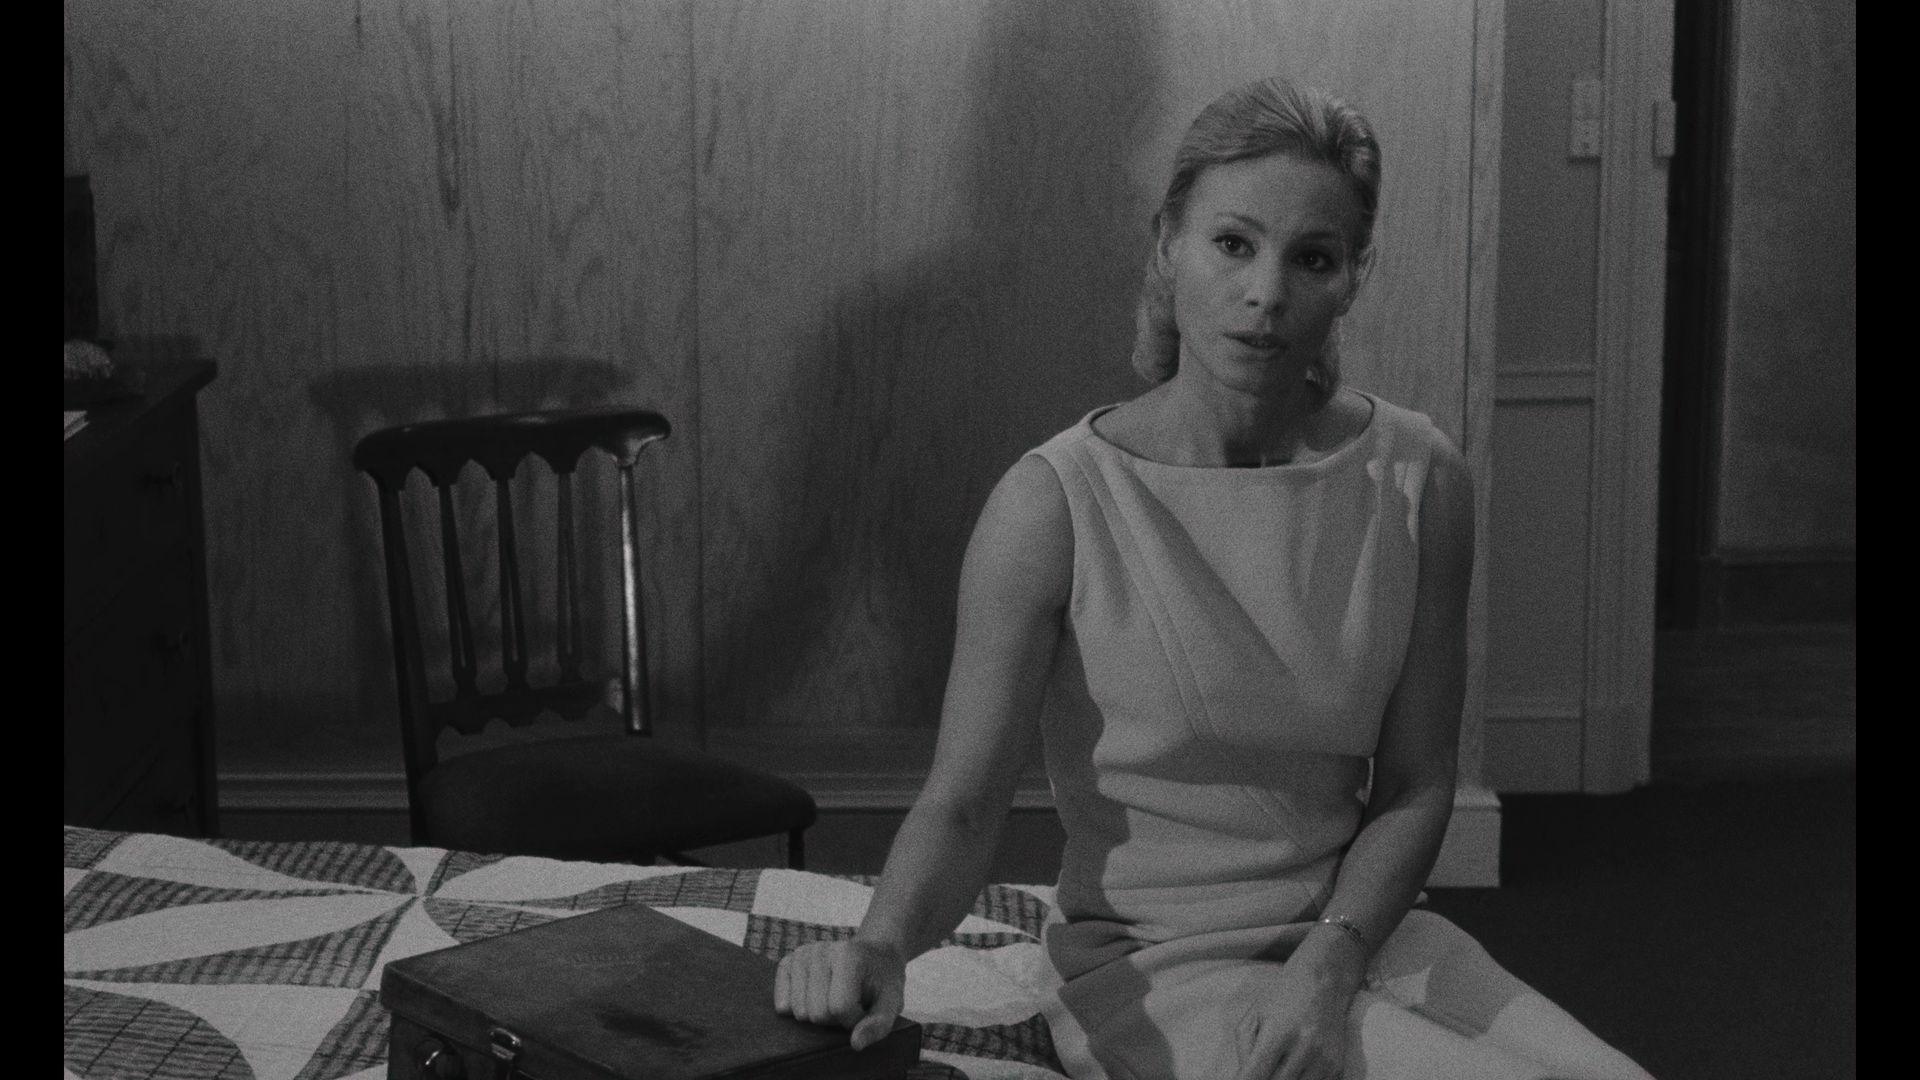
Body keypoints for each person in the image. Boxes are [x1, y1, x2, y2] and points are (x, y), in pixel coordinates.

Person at [775, 78, 1655, 1080]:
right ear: (1167, 245)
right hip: (1156, 961)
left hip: (1361, 931)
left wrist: (1333, 956)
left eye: (1312, 258)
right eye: (1233, 244)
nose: (1267, 293)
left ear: (1354, 276)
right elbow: (964, 804)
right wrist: (882, 943)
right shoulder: (1052, 503)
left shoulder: (1421, 478)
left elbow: (1417, 784)